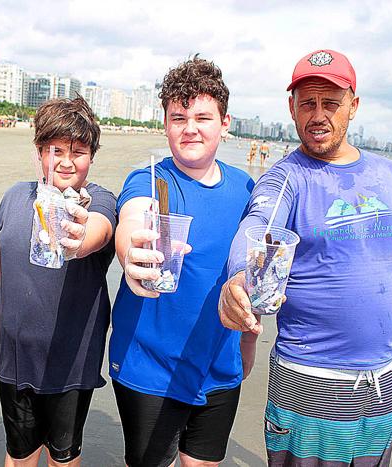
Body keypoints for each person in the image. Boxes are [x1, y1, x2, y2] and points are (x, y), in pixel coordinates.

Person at [218, 49, 392, 466]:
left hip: (384, 384)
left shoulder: (388, 174)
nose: (318, 115)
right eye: (308, 103)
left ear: (353, 105)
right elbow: (258, 226)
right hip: (308, 384)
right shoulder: (286, 177)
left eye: (331, 103)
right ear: (292, 108)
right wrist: (240, 278)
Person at [109, 56, 255, 467]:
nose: (190, 128)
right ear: (166, 124)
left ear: (225, 123)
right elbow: (133, 219)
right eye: (178, 118)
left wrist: (248, 340)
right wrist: (132, 254)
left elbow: (248, 270)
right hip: (149, 366)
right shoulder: (149, 179)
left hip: (219, 363)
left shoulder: (246, 188)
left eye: (202, 117)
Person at [0, 97, 116, 467]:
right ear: (38, 152)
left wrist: (78, 238)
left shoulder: (98, 201)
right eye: (56, 150)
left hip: (71, 362)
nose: (66, 162)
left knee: (63, 457)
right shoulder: (14, 197)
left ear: (92, 156)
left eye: (78, 152)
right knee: (19, 453)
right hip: (15, 357)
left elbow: (98, 231)